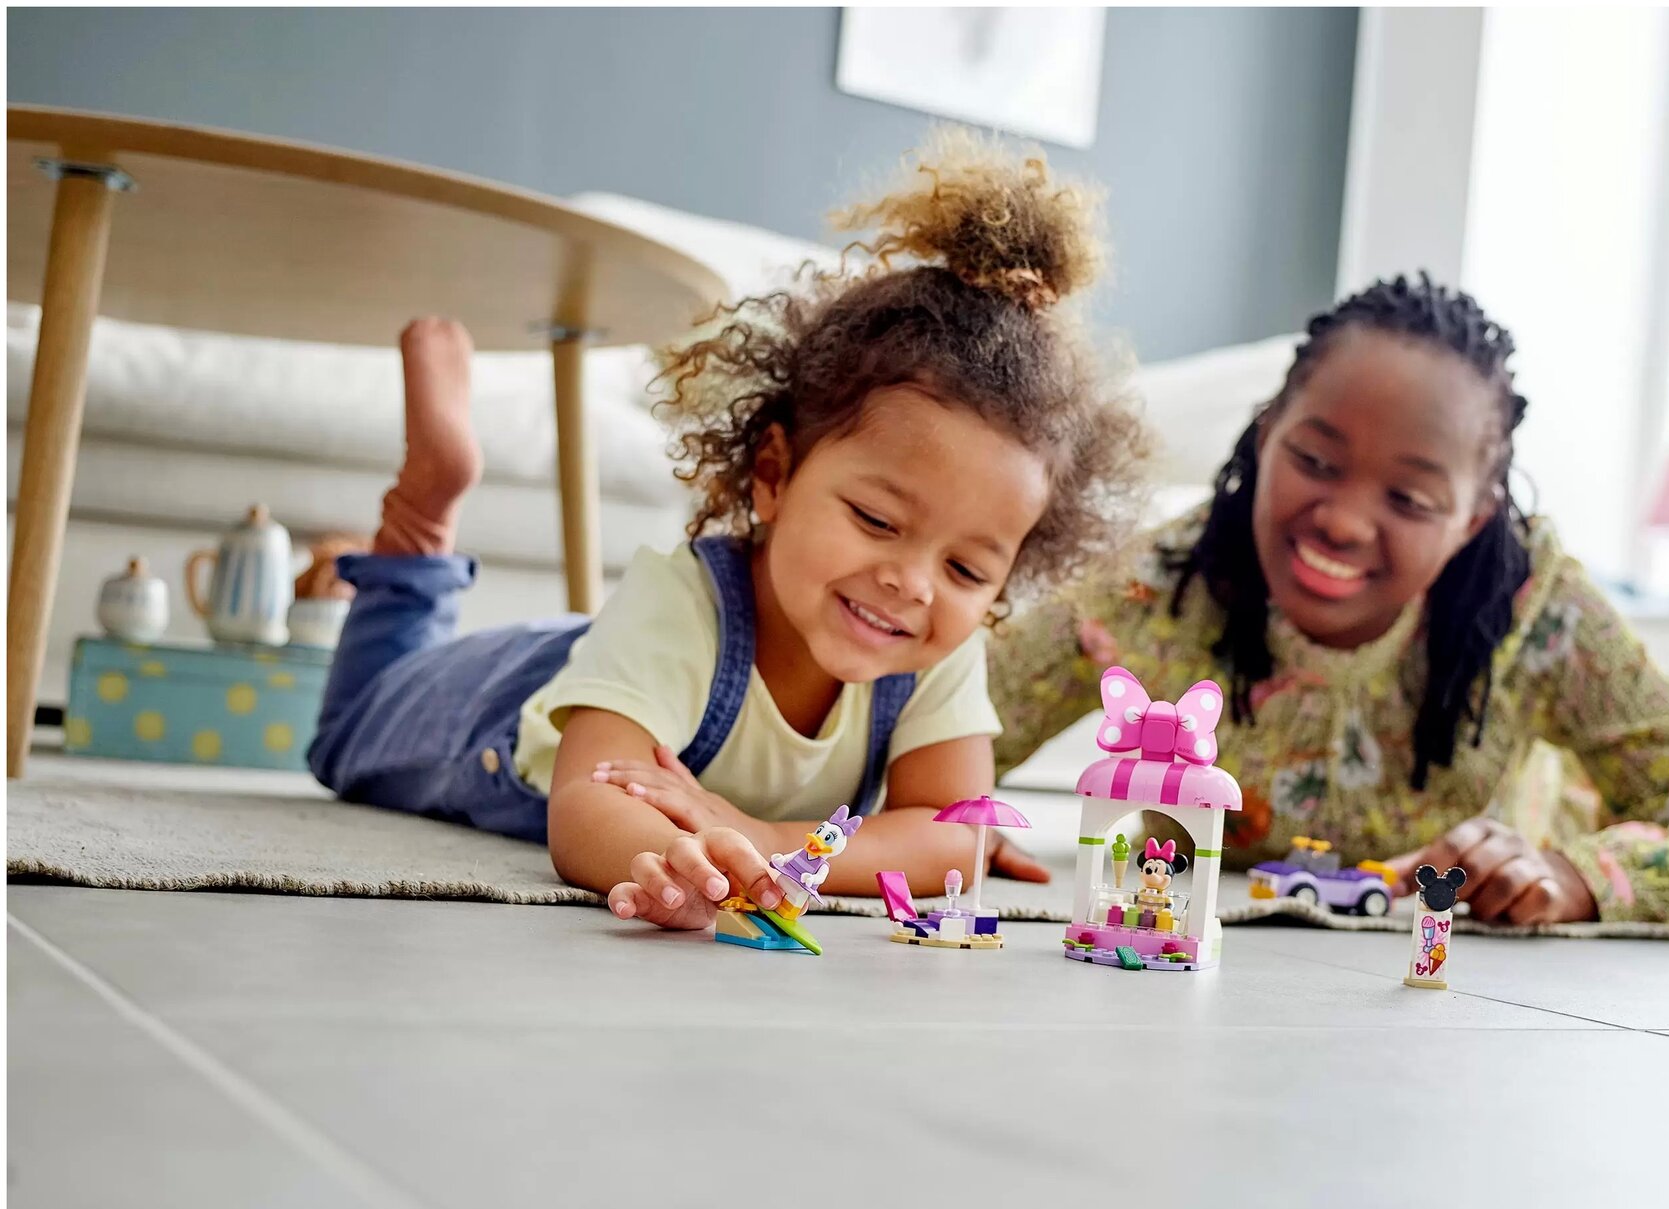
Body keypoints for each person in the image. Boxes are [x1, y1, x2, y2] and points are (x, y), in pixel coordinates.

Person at [308, 131, 1144, 932]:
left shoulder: (932, 646)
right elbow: (587, 803)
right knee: (344, 735)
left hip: (619, 667)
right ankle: (422, 517)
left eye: (967, 570)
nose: (914, 582)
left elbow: (953, 833)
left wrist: (767, 843)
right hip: (492, 706)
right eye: (877, 520)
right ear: (773, 474)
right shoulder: (683, 602)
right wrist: (681, 862)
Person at [987, 274, 1669, 931]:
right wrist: (946, 807)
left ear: (1472, 519)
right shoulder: (1153, 585)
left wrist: (1579, 875)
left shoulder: (1537, 610)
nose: (1344, 520)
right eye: (1315, 461)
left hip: (1584, 804)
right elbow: (943, 730)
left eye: (1410, 499)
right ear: (1266, 429)